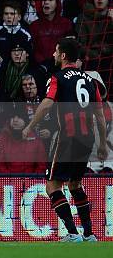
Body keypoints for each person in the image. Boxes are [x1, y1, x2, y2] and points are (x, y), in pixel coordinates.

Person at [22, 38, 108, 242]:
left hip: (67, 137)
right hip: (87, 139)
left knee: (52, 186)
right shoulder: (90, 80)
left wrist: (30, 126)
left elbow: (46, 104)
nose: (52, 54)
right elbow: (100, 116)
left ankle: (72, 233)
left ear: (63, 56)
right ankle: (89, 234)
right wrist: (102, 144)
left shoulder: (57, 77)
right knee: (75, 184)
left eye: (55, 51)